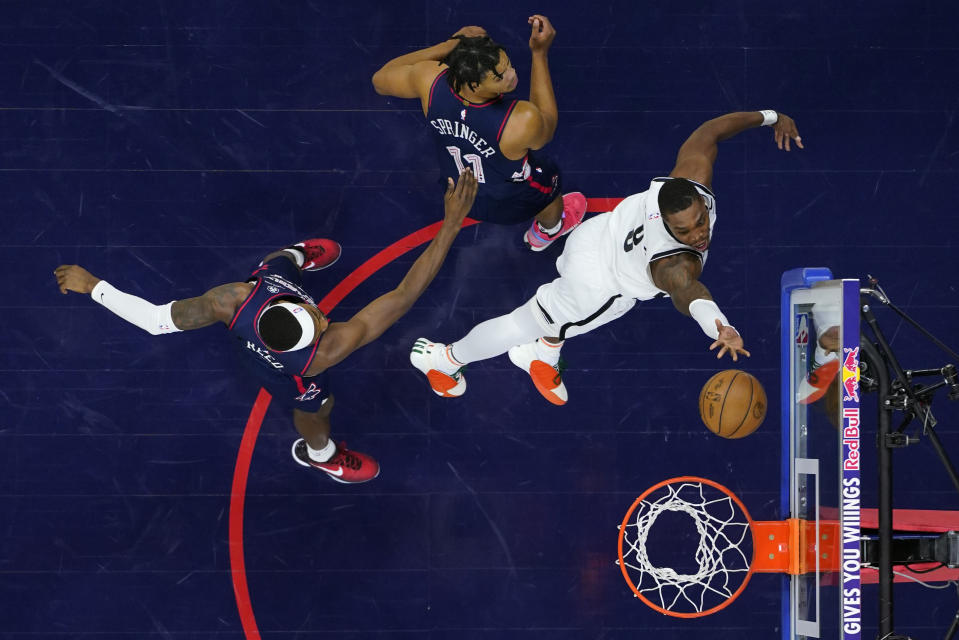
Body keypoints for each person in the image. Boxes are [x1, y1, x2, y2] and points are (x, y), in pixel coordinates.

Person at [54, 170, 479, 482]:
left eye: (314, 313)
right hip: (281, 374)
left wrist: (94, 286)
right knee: (317, 410)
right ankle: (321, 454)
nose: (325, 315)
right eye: (321, 320)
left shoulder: (234, 298)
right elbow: (402, 297)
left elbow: (154, 320)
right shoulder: (321, 354)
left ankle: (300, 254)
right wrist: (450, 227)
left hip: (256, 325)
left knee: (279, 262)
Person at [410, 110, 803, 405]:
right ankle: (445, 359)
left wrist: (771, 117)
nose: (698, 234)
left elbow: (709, 132)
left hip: (595, 233)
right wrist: (721, 326)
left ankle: (544, 354)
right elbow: (690, 293)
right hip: (600, 284)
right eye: (683, 232)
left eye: (700, 222)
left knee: (557, 322)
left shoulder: (690, 178)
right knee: (525, 322)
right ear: (666, 225)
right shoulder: (674, 263)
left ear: (699, 197)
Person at [371, 14, 586, 251]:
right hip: (511, 203)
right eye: (499, 76)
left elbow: (380, 79)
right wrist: (539, 54)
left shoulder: (429, 80)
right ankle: (547, 231)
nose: (512, 74)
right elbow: (547, 124)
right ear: (475, 85)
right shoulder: (521, 119)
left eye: (508, 65)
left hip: (458, 195)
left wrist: (448, 46)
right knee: (548, 177)